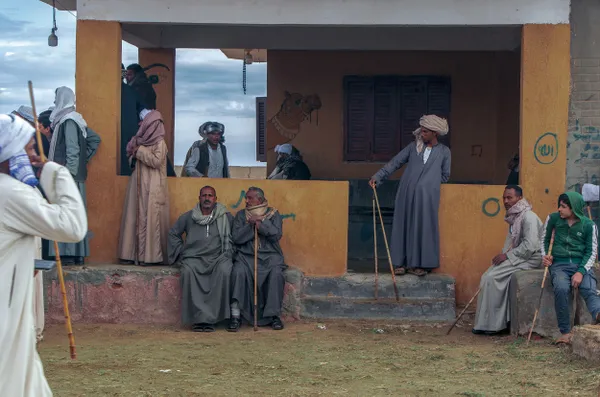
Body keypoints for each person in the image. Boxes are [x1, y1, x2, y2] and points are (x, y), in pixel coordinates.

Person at [0, 114, 87, 397]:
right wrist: (54, 171)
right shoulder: (9, 192)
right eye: (29, 151)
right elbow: (73, 226)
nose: (33, 158)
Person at [369, 114, 451, 276]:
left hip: (427, 198)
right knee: (403, 225)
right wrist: (377, 176)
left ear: (435, 133)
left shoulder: (444, 152)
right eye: (422, 130)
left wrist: (428, 185)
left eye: (426, 131)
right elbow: (395, 163)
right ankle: (400, 263)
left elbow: (445, 175)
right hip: (406, 193)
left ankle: (420, 265)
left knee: (424, 227)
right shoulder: (413, 147)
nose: (422, 134)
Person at [472, 185, 543, 335]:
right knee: (487, 275)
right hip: (520, 257)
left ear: (519, 198)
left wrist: (507, 257)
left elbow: (530, 246)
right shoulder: (514, 217)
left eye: (509, 197)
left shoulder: (528, 217)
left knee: (492, 278)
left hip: (532, 258)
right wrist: (502, 257)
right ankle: (487, 322)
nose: (506, 201)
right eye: (504, 197)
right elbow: (510, 243)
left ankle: (494, 325)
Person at [46, 86, 101, 265]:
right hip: (73, 177)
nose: (55, 103)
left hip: (68, 178)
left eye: (56, 99)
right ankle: (76, 253)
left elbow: (72, 149)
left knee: (66, 214)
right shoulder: (77, 120)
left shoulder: (68, 122)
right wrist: (82, 161)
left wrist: (69, 172)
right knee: (73, 214)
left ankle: (68, 254)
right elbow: (94, 140)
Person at [168, 186, 234, 332]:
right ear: (199, 198)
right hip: (194, 258)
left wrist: (230, 253)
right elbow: (173, 234)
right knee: (187, 272)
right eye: (204, 195)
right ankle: (198, 320)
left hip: (218, 258)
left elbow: (236, 236)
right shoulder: (189, 216)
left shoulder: (226, 217)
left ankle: (215, 318)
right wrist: (180, 252)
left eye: (210, 196)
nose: (207, 198)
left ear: (215, 199)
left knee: (225, 270)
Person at [542, 191, 600, 344]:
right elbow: (545, 241)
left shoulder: (589, 225)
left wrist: (580, 272)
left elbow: (592, 251)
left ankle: (598, 315)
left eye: (563, 206)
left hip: (581, 264)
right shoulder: (553, 219)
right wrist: (546, 256)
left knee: (588, 288)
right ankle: (566, 332)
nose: (559, 209)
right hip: (559, 265)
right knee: (561, 288)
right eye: (559, 206)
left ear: (574, 208)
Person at [229, 187, 287, 331]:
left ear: (259, 200)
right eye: (246, 198)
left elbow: (276, 235)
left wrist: (261, 224)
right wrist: (250, 224)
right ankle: (236, 316)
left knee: (276, 274)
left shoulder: (273, 214)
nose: (246, 201)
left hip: (270, 256)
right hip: (246, 256)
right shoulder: (241, 215)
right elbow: (236, 238)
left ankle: (274, 316)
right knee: (238, 272)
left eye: (250, 198)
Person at [118, 109, 170, 265]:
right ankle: (131, 254)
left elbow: (156, 161)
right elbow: (131, 161)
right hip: (138, 184)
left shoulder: (160, 142)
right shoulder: (138, 140)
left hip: (153, 186)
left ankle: (150, 257)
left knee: (150, 220)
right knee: (134, 217)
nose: (140, 124)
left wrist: (139, 151)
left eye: (143, 121)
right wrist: (134, 154)